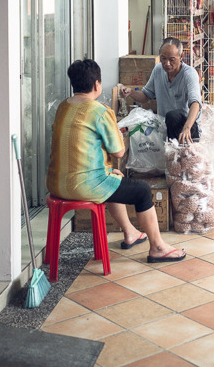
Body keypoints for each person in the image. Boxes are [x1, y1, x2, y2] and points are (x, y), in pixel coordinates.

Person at [46, 59, 185, 263]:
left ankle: (130, 232)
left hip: (57, 184)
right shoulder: (99, 111)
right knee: (142, 191)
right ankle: (157, 247)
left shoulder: (62, 107)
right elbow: (119, 152)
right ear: (96, 85)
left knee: (113, 177)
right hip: (84, 185)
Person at [118, 37, 202, 144]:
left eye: (171, 59)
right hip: (166, 125)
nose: (167, 63)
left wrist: (187, 128)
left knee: (173, 116)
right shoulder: (158, 70)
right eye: (163, 58)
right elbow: (146, 95)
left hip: (187, 127)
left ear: (181, 57)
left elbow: (195, 103)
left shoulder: (189, 74)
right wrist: (131, 92)